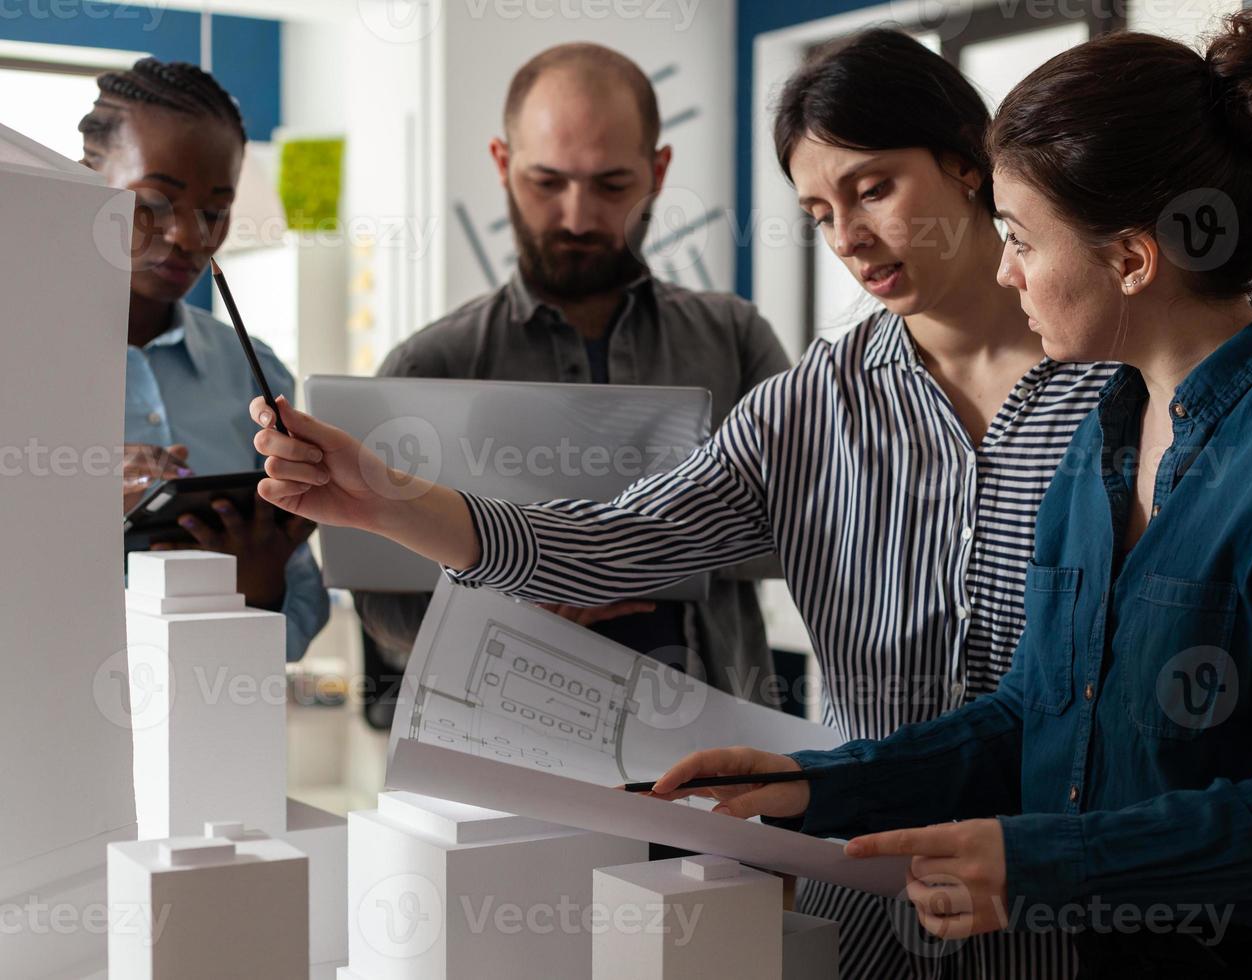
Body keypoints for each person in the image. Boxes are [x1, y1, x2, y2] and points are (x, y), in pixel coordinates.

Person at [248, 29, 1111, 978]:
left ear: (966, 162)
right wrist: (384, 499)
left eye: (873, 189)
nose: (850, 239)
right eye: (820, 212)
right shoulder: (818, 398)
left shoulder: (1113, 384)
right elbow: (620, 539)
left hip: (1066, 901)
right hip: (865, 896)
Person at [648, 11, 1252, 979]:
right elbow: (1034, 711)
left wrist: (1038, 860)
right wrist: (815, 782)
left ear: (1133, 257)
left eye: (1022, 238)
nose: (1006, 268)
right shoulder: (1101, 434)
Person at [351, 43, 791, 699]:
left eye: (611, 185)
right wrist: (516, 597)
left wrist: (592, 559)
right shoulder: (430, 365)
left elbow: (805, 531)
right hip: (504, 752)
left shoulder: (734, 340)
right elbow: (384, 604)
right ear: (502, 164)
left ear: (659, 169)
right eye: (546, 182)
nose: (578, 218)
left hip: (716, 755)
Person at [83, 58, 329, 662]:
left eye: (215, 211)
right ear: (87, 183)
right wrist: (67, 510)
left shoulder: (257, 375)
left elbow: (298, 622)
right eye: (154, 204)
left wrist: (258, 588)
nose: (191, 239)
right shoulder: (24, 359)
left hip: (221, 724)